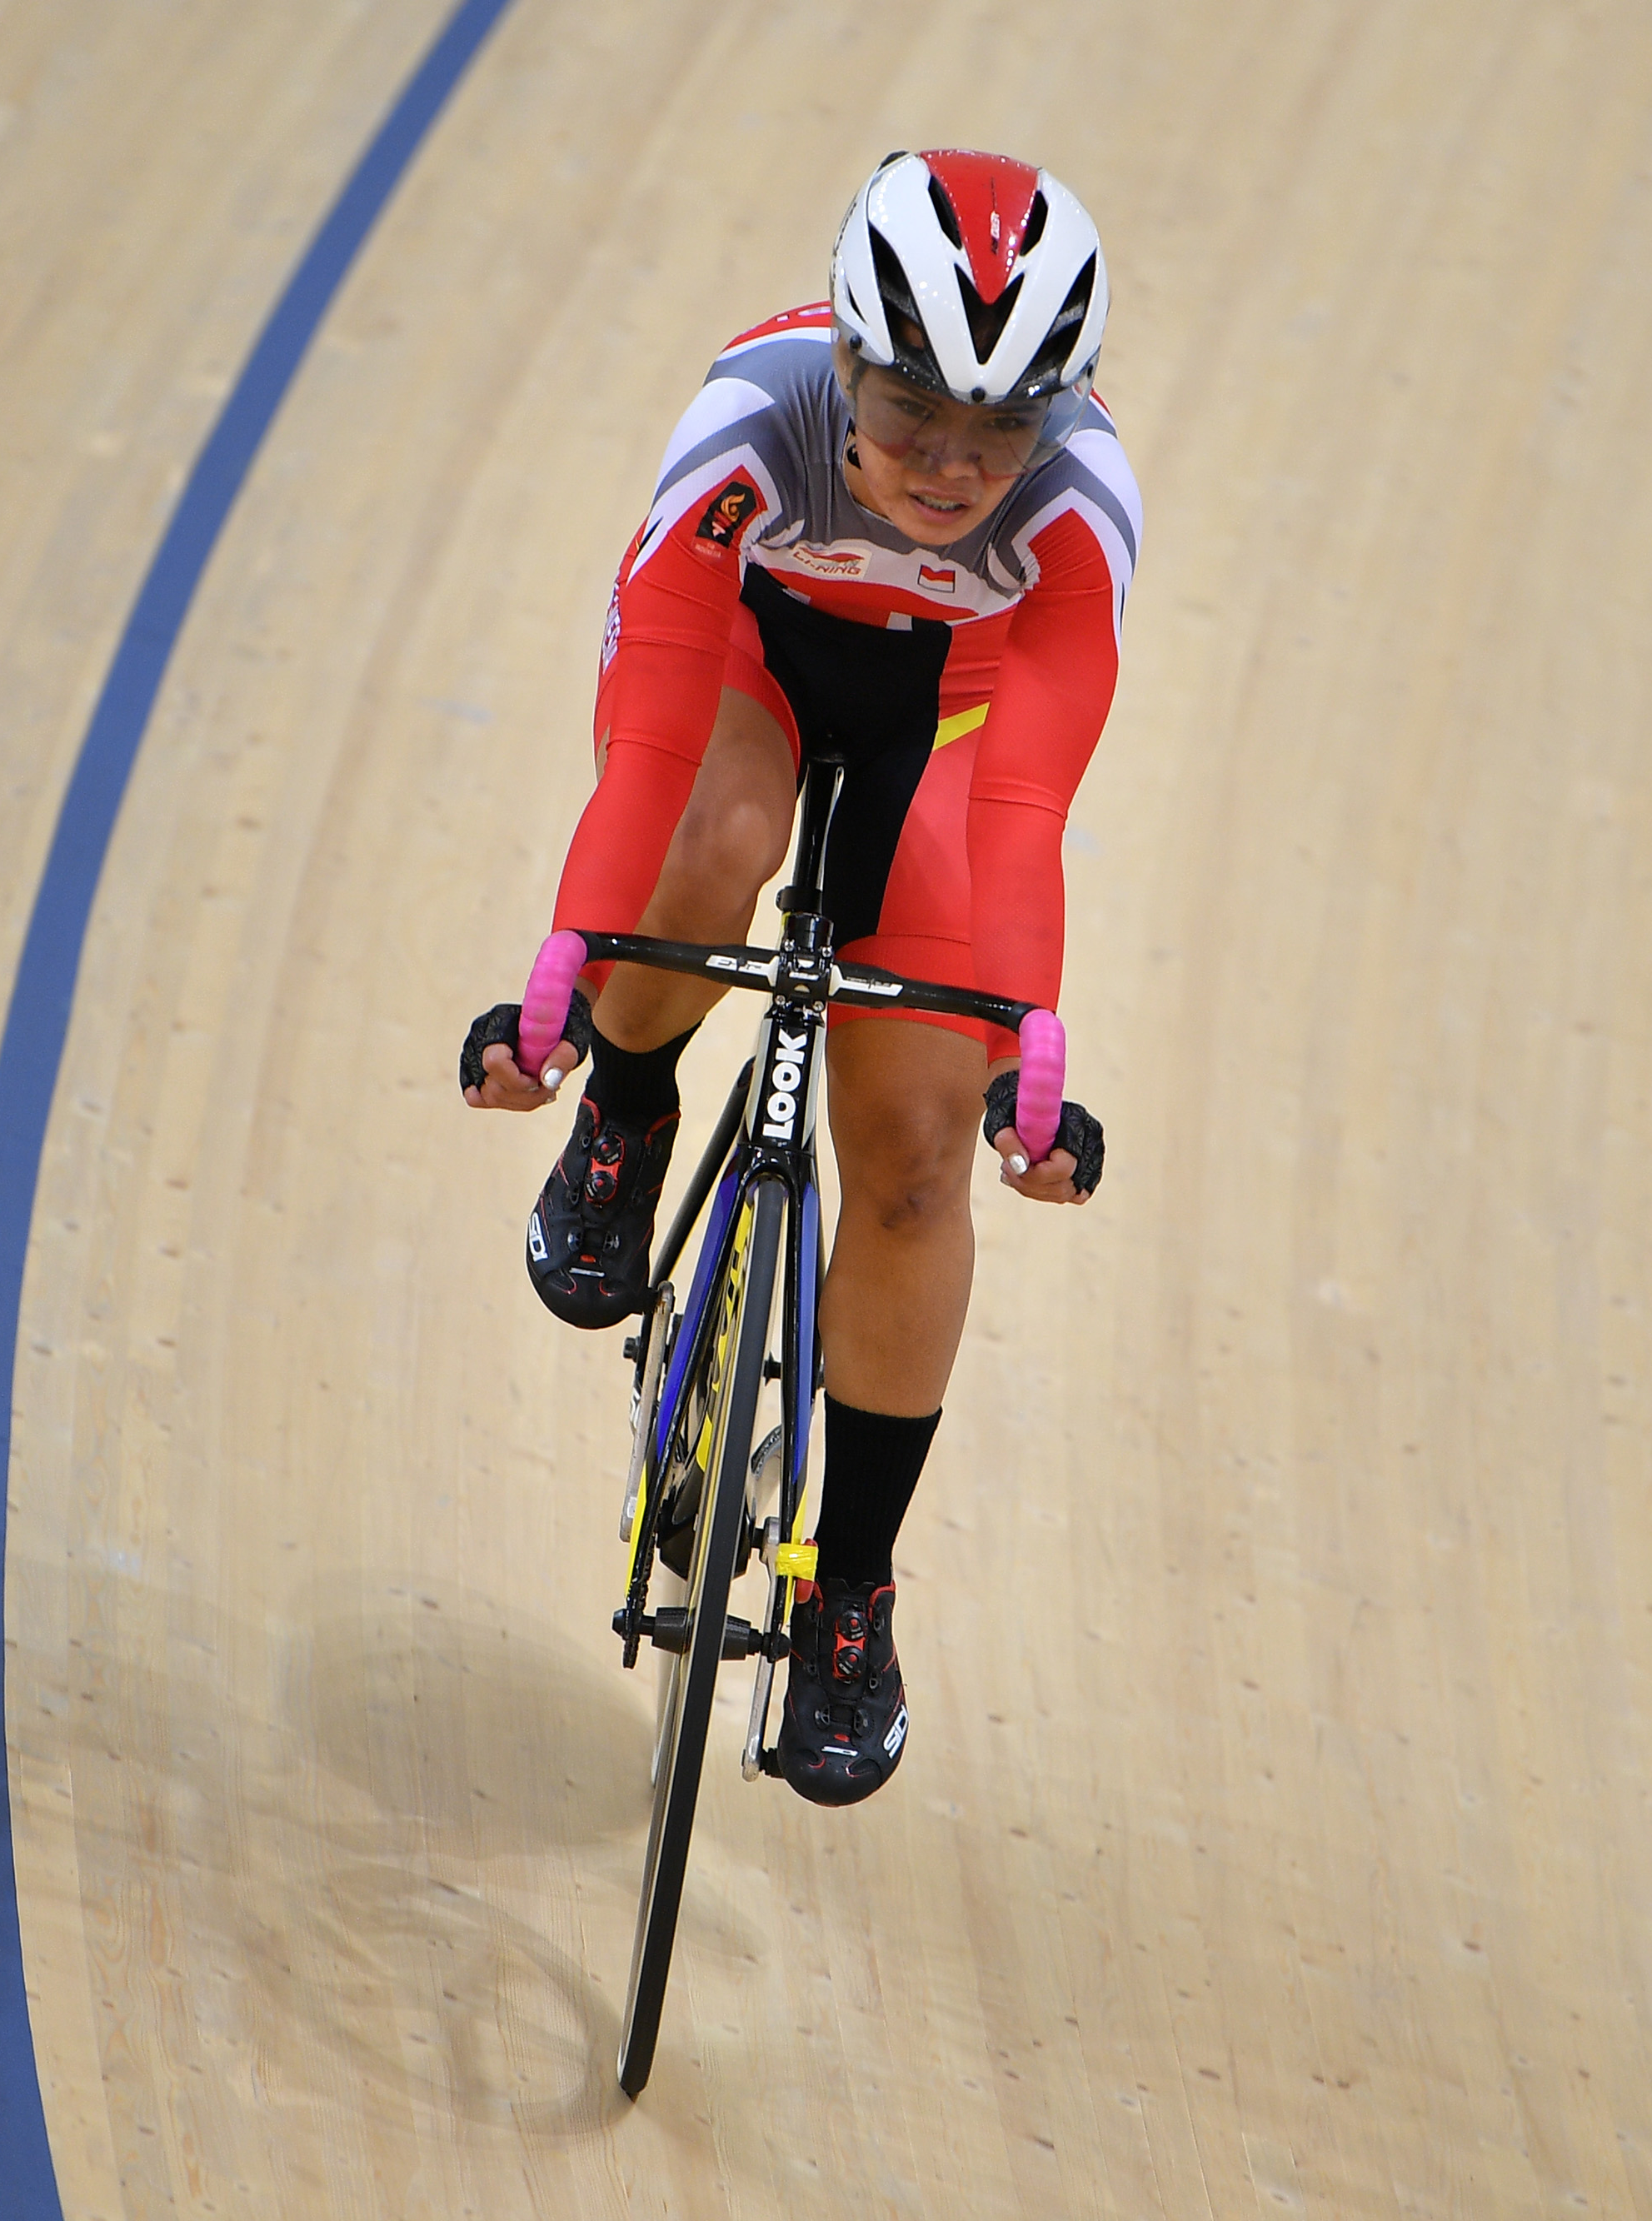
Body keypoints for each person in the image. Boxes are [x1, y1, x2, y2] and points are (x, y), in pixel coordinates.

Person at [460, 150, 1137, 1806]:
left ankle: (849, 1588)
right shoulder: (748, 424)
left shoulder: (1078, 510)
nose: (948, 470)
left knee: (910, 1164)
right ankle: (624, 1113)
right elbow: (645, 751)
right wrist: (557, 987)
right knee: (720, 830)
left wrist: (1024, 1055)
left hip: (950, 733)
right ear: (840, 353)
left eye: (998, 435)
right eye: (909, 416)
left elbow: (1026, 813)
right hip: (753, 671)